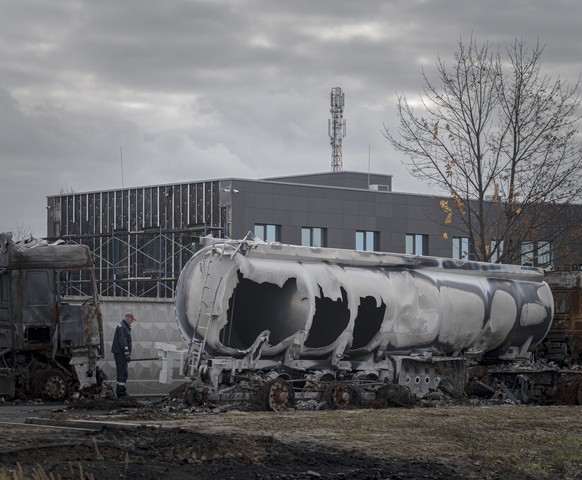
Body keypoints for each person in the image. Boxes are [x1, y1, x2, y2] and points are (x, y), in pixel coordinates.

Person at [111, 312, 137, 397]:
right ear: (128, 318)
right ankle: (121, 393)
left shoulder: (124, 326)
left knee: (122, 372)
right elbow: (122, 340)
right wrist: (126, 353)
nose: (132, 322)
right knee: (123, 372)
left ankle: (120, 391)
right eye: (132, 320)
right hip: (120, 353)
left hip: (120, 353)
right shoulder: (122, 326)